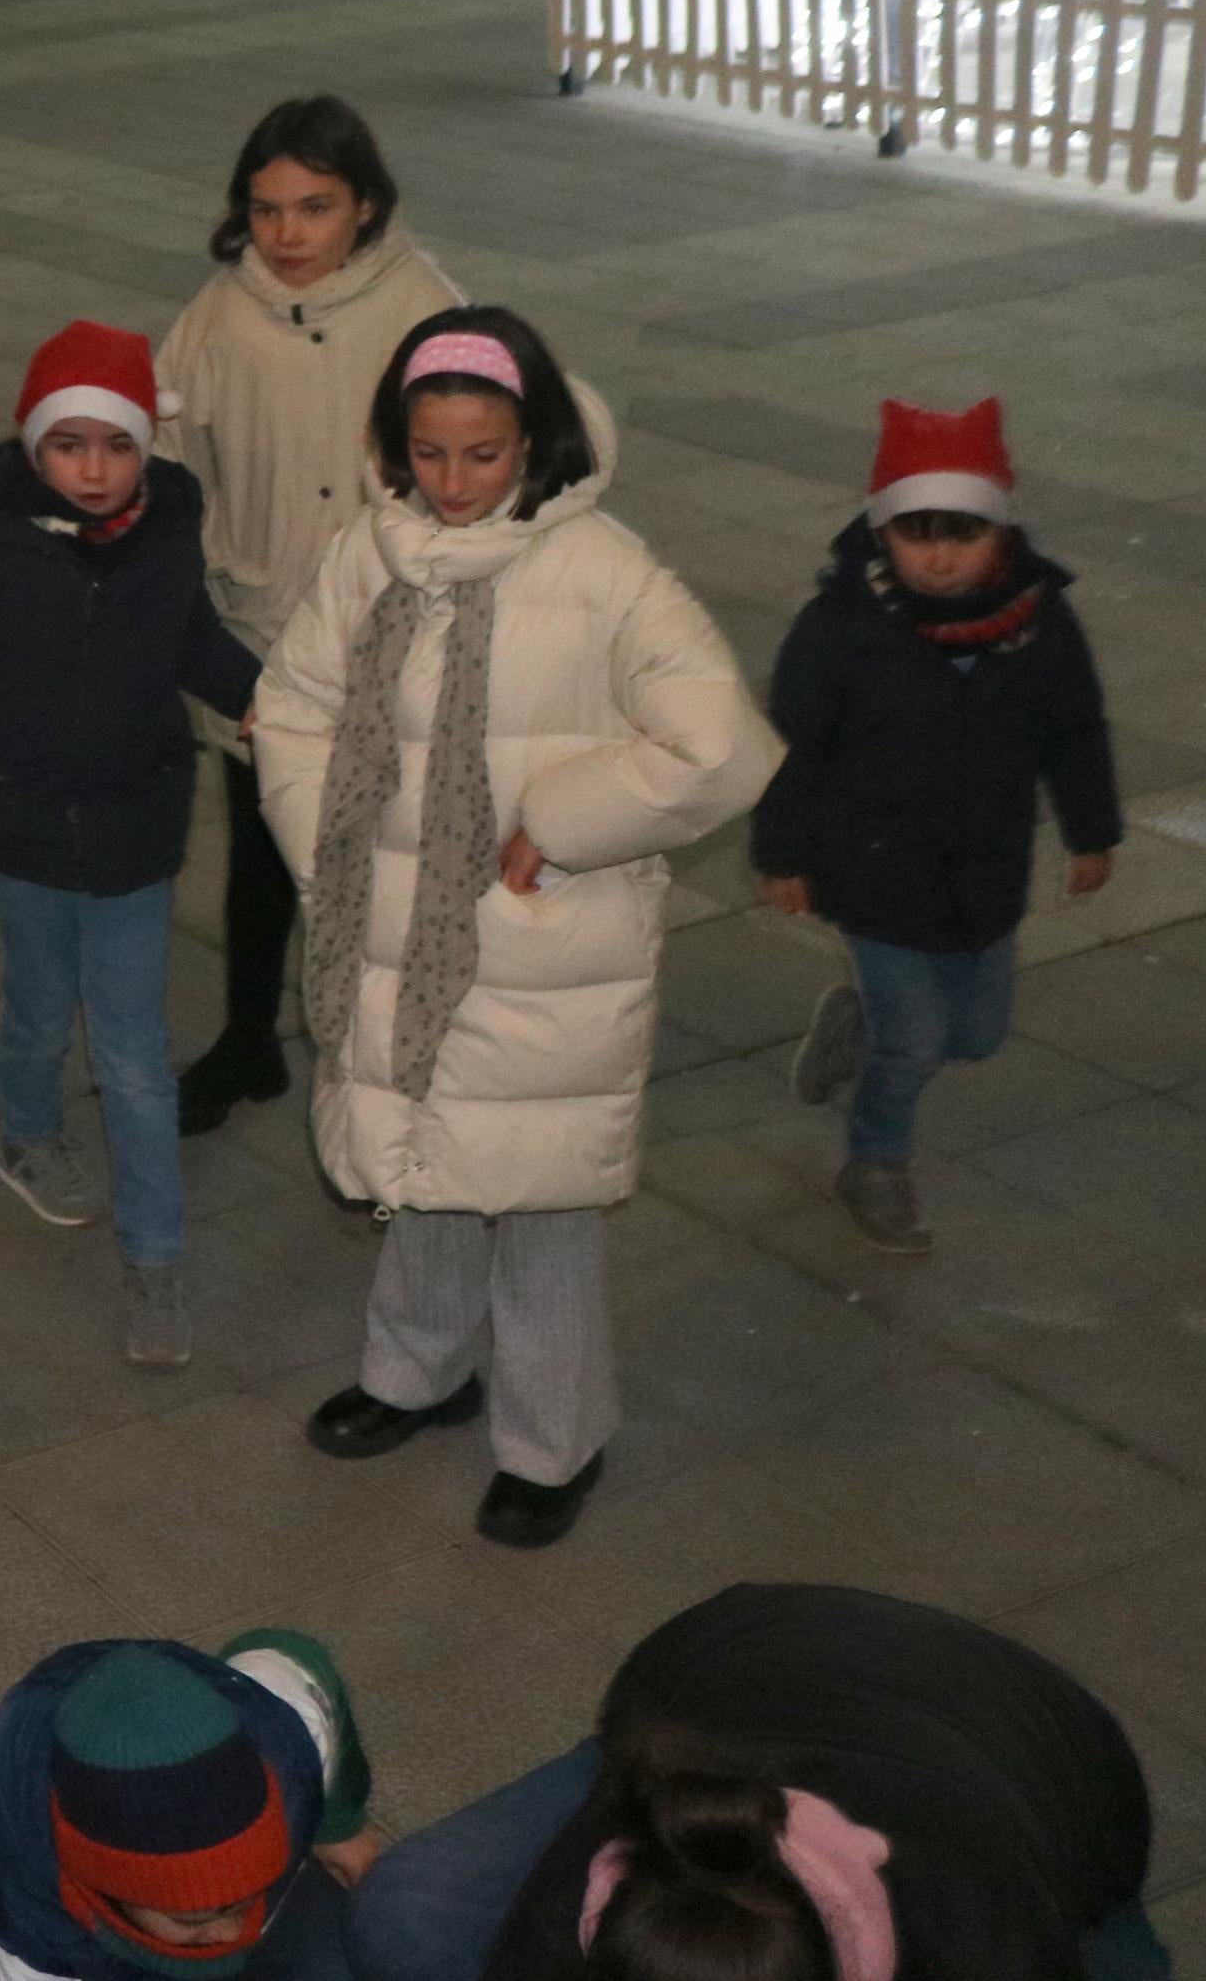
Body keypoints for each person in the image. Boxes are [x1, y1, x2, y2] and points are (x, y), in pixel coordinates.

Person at [254, 308, 775, 1549]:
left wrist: (569, 817)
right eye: (427, 454)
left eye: (481, 456)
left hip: (539, 944)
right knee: (418, 1161)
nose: (451, 483)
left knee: (535, 1201)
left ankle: (554, 1438)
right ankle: (413, 1374)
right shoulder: (368, 553)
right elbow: (292, 705)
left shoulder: (600, 570)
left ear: (529, 441)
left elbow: (723, 744)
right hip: (392, 927)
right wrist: (327, 854)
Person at [0, 322, 256, 1372]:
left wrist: (255, 697)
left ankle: (155, 1261)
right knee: (37, 1004)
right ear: (33, 446)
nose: (93, 467)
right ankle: (26, 1133)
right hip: (20, 827)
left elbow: (193, 642)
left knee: (131, 1053)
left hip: (133, 829)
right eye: (68, 444)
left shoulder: (168, 536)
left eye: (115, 445)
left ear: (145, 450)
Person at [347, 1583, 1164, 1981]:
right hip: (724, 1672)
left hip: (1038, 1752)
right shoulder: (581, 1900)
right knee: (409, 1916)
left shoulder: (980, 1943)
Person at [155, 98, 462, 1139]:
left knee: (381, 864)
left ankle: (379, 1055)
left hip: (387, 638)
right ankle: (247, 1039)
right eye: (265, 208)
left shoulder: (425, 311)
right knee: (254, 853)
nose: (285, 234)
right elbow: (167, 459)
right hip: (258, 633)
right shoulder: (216, 314)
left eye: (314, 208)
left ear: (365, 207)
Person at [756, 399, 1120, 1258]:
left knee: (974, 1033)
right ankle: (874, 1163)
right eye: (917, 531)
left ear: (1000, 533)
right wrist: (782, 853)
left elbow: (1075, 727)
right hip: (871, 867)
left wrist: (1089, 830)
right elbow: (791, 748)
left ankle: (854, 1023)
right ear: (883, 533)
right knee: (915, 1038)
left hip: (983, 867)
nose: (940, 552)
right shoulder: (841, 627)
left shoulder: (1038, 623)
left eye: (962, 531)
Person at [0, 1630, 379, 1981]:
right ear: (104, 1891)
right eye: (195, 1919)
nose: (231, 1932)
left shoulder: (286, 1742)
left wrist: (338, 1826)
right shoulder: (31, 1945)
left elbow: (293, 1658)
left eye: (246, 1896)